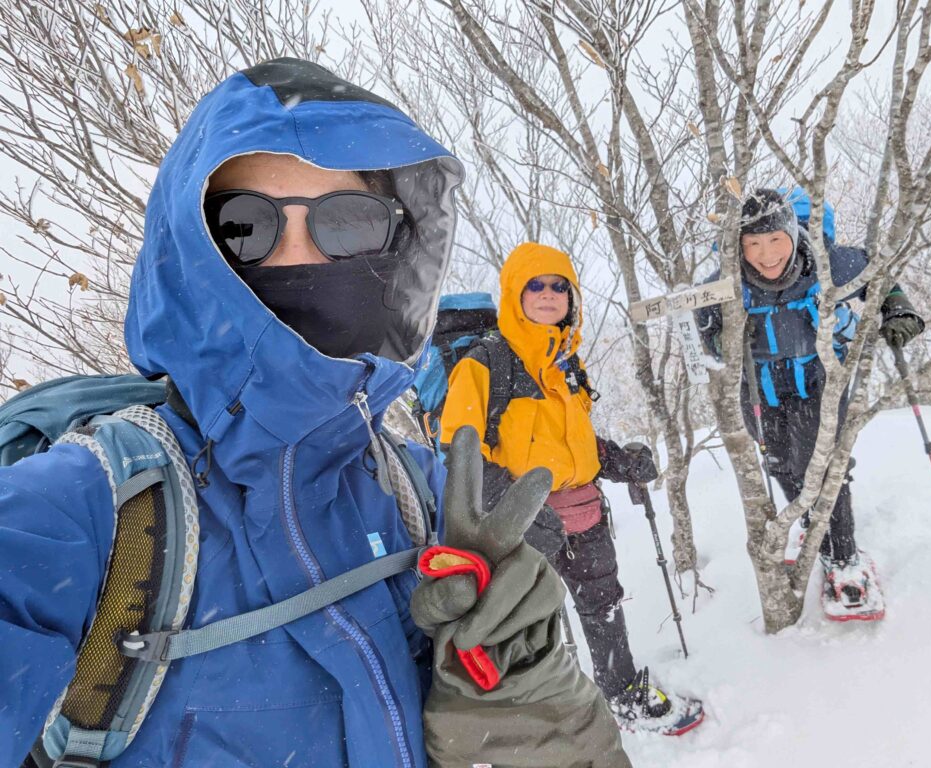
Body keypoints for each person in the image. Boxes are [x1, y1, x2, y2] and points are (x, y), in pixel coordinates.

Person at [0, 58, 627, 768]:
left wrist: (528, 697)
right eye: (244, 226)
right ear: (188, 252)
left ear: (395, 246)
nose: (299, 257)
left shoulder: (419, 496)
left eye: (349, 222)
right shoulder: (95, 507)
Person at [440, 242, 705, 736]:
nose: (548, 294)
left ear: (572, 297)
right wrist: (513, 507)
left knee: (603, 604)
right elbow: (460, 452)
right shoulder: (484, 364)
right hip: (522, 527)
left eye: (559, 286)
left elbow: (574, 444)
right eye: (535, 285)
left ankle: (622, 695)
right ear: (514, 294)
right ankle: (540, 720)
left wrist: (619, 462)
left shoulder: (567, 362)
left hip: (583, 512)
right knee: (527, 622)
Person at [696, 188, 925, 620]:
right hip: (758, 387)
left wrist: (898, 309)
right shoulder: (723, 282)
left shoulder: (825, 261)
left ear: (792, 232)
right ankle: (810, 522)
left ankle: (843, 557)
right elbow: (703, 329)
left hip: (816, 379)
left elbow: (877, 275)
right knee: (780, 463)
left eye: (775, 240)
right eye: (753, 244)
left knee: (822, 466)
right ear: (739, 246)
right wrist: (722, 341)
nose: (766, 255)